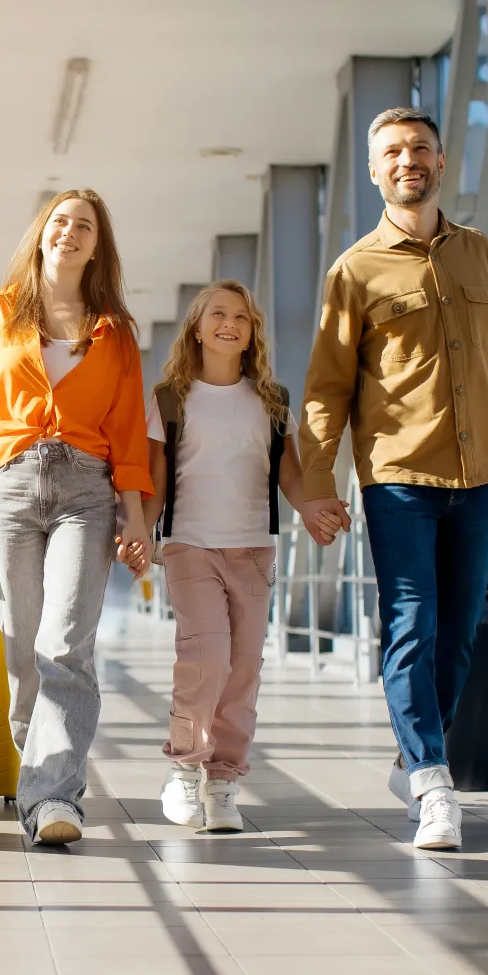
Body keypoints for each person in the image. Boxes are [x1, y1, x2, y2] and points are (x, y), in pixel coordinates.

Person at [298, 107, 488, 851]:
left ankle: (414, 758)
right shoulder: (353, 272)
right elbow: (326, 389)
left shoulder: (482, 258)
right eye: (392, 151)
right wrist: (316, 480)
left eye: (420, 147)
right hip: (398, 478)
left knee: (456, 639)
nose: (407, 159)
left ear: (442, 163)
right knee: (412, 624)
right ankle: (432, 784)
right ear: (375, 170)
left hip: (480, 473)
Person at [0, 189, 154, 846]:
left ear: (98, 246)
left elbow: (127, 437)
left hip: (88, 494)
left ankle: (54, 798)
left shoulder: (115, 332)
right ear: (41, 236)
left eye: (84, 226)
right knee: (21, 648)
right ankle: (37, 766)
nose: (70, 232)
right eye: (60, 222)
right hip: (8, 487)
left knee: (64, 645)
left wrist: (137, 520)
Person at [132, 280, 341, 832]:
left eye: (242, 317)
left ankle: (223, 781)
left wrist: (314, 511)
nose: (230, 323)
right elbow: (154, 482)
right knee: (207, 656)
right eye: (218, 314)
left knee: (243, 668)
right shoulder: (170, 399)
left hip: (253, 548)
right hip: (189, 545)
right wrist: (136, 536)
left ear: (252, 333)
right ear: (197, 328)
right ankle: (183, 769)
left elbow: (289, 475)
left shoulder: (271, 401)